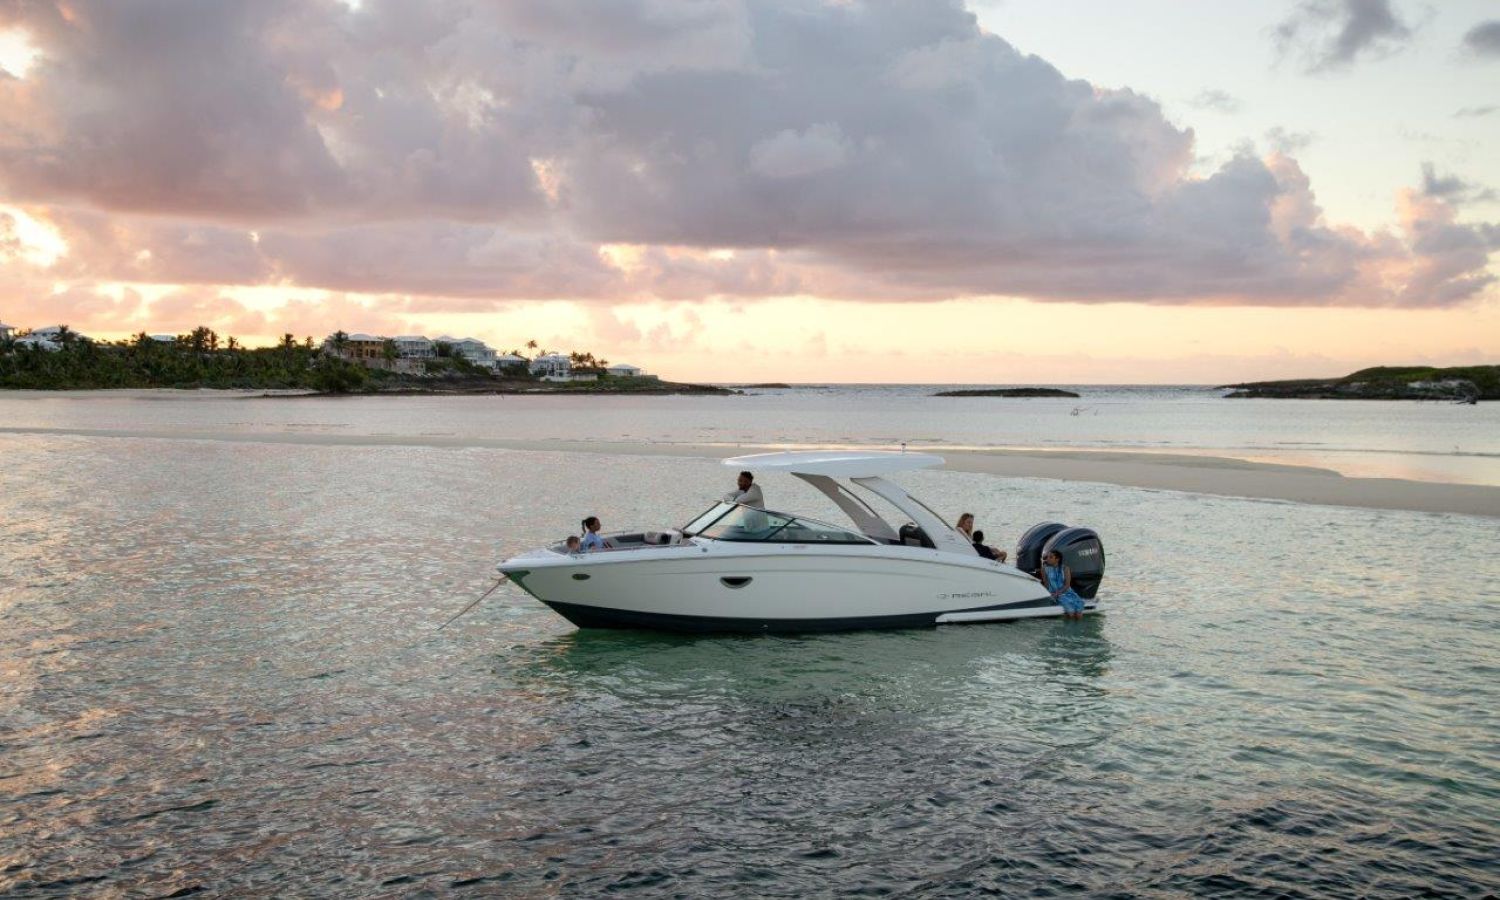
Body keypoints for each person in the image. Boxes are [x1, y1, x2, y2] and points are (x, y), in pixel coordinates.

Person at [1041, 549, 1085, 619]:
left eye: (1051, 557)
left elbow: (1067, 585)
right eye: (1047, 557)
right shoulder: (1044, 569)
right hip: (1054, 594)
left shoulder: (1065, 568)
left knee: (1078, 613)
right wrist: (1047, 595)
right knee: (1070, 613)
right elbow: (1046, 584)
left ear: (1057, 559)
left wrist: (1057, 593)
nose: (1047, 559)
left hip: (1067, 592)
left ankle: (1078, 626)